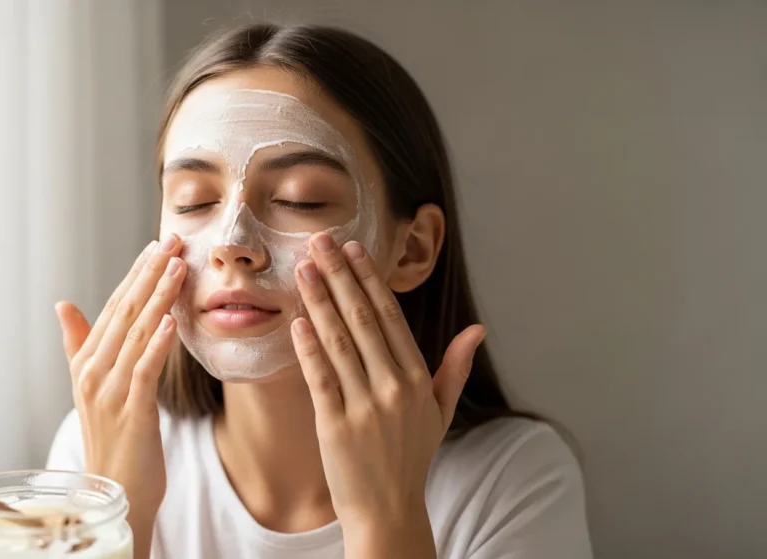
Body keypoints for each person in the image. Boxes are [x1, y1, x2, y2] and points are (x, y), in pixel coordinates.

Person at [47, 23, 592, 559]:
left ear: (413, 249)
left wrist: (387, 516)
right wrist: (115, 515)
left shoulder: (509, 478)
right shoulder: (100, 445)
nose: (232, 242)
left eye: (300, 200)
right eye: (192, 201)